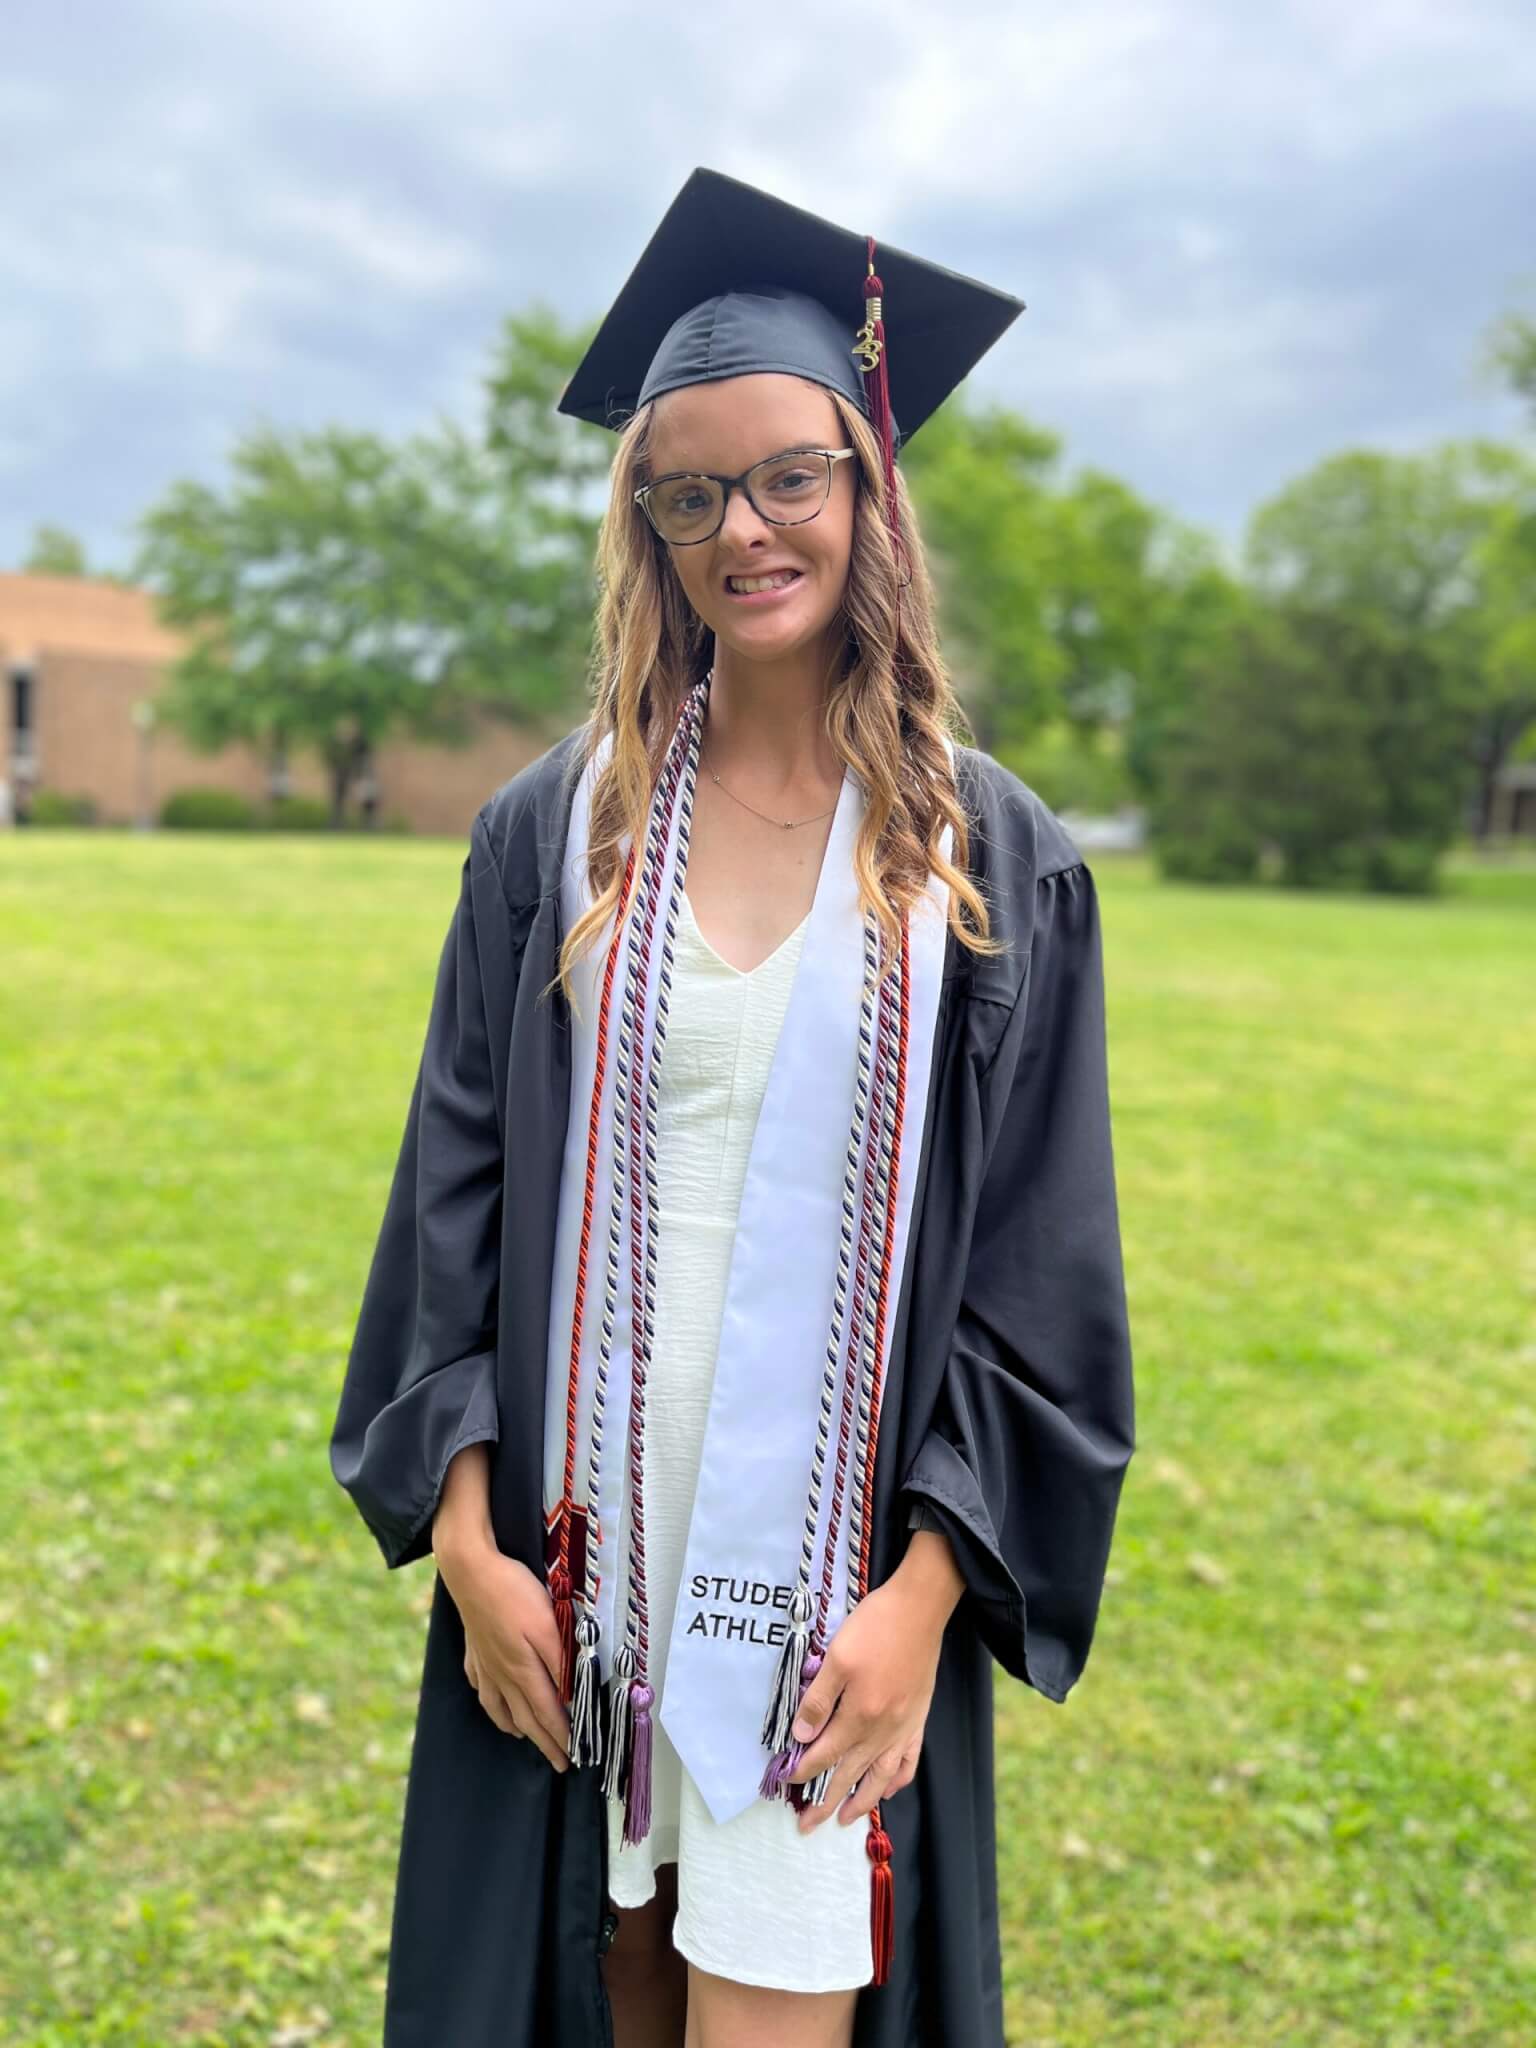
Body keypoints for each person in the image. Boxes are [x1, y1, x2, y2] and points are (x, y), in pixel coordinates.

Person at [329, 166, 1135, 2048]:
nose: (741, 530)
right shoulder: (558, 833)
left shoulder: (984, 864)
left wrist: (929, 1598)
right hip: (574, 1555)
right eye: (684, 495)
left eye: (787, 474)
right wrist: (465, 1536)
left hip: (823, 1588)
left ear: (867, 488)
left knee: (773, 1996)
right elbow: (453, 1197)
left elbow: (1040, 1273)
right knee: (586, 1994)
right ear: (648, 528)